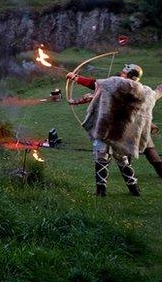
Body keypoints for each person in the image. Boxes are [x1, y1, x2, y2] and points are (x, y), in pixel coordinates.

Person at [67, 64, 162, 196]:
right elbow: (153, 96)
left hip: (107, 131)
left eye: (124, 73)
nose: (121, 74)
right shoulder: (145, 92)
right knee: (122, 162)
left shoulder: (115, 83)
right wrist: (159, 90)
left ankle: (101, 192)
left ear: (132, 77)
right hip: (122, 135)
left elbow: (94, 84)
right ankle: (134, 190)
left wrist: (75, 78)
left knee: (101, 159)